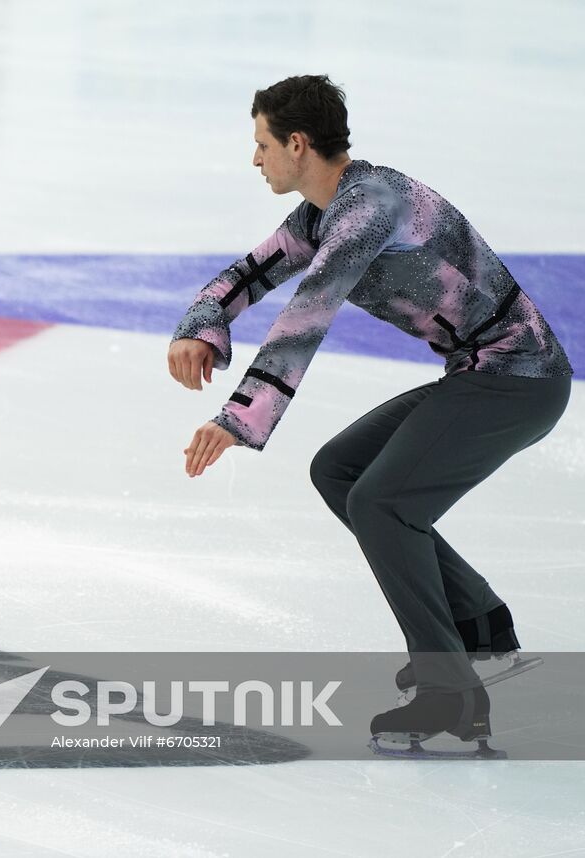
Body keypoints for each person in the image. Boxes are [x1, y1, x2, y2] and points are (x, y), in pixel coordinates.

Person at [167, 76, 572, 755]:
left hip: (517, 378)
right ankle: (475, 626)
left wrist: (236, 418)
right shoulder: (323, 214)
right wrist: (201, 327)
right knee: (341, 471)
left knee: (382, 503)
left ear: (298, 143)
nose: (256, 158)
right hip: (481, 373)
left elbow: (306, 316)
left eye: (263, 144)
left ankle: (450, 692)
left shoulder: (370, 209)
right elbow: (246, 275)